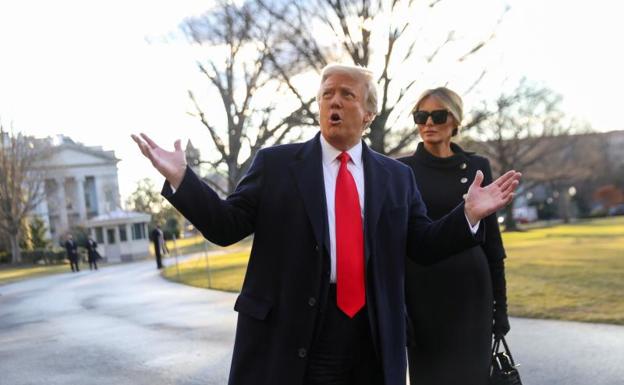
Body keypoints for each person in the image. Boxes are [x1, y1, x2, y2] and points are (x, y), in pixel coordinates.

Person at [131, 64, 520, 385]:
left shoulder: (395, 177)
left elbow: (422, 243)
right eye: (327, 93)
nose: (334, 101)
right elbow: (225, 226)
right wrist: (184, 180)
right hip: (297, 327)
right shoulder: (277, 165)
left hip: (371, 330)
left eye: (347, 95)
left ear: (368, 114)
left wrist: (467, 215)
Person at [398, 87, 510, 385]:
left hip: (472, 293)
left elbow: (492, 243)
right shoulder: (399, 170)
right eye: (421, 116)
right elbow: (396, 245)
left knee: (472, 376)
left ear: (455, 120)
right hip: (423, 295)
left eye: (438, 115)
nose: (428, 123)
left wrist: (500, 307)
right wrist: (401, 308)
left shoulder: (477, 166)